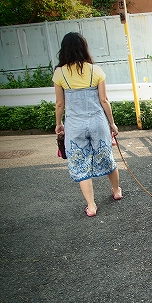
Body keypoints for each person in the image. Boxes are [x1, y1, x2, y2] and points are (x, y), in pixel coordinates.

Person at [53, 32, 122, 217]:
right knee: (106, 156)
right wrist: (112, 123)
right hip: (97, 121)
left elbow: (59, 103)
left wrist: (59, 123)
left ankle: (91, 206)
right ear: (84, 48)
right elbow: (104, 100)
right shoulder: (95, 70)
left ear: (64, 50)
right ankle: (116, 191)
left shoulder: (60, 73)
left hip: (75, 124)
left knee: (80, 163)